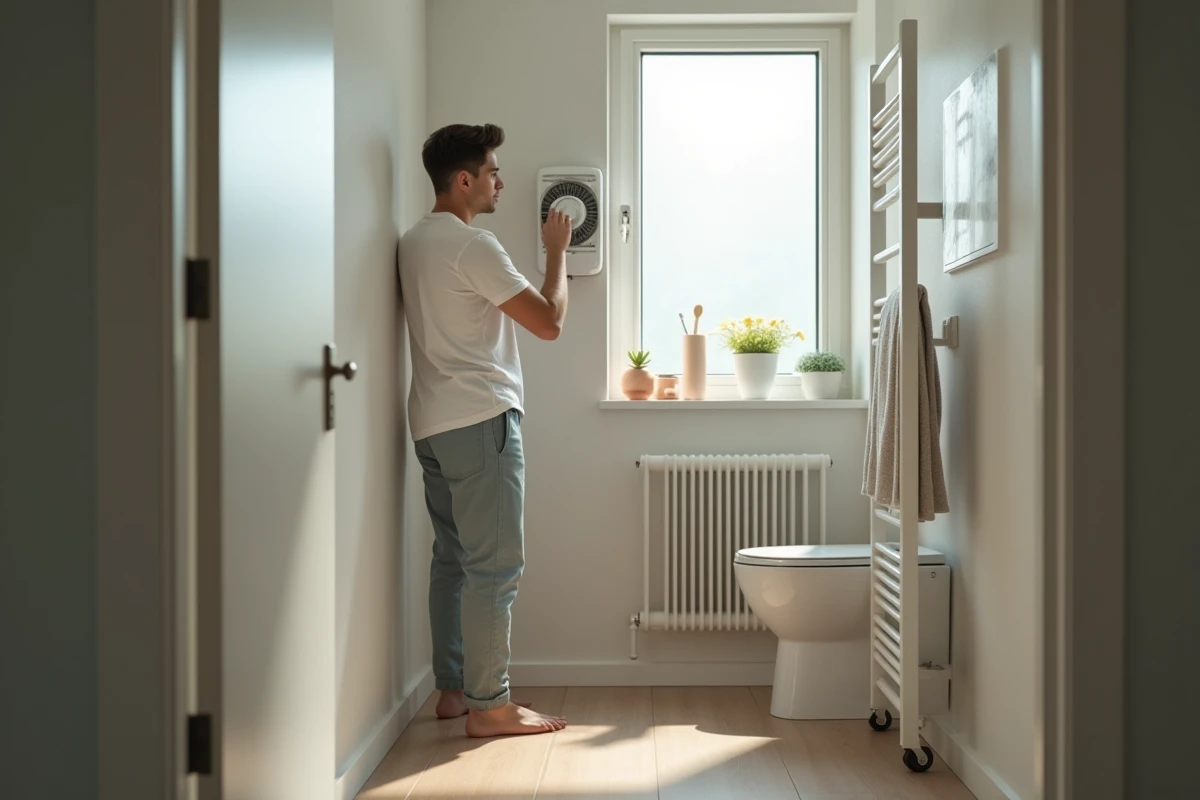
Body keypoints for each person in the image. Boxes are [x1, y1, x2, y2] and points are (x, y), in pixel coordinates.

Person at [397, 123, 572, 738]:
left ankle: (453, 692)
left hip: (431, 423)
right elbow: (548, 322)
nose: (500, 181)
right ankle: (490, 706)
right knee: (496, 567)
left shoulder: (413, 242)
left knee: (452, 561)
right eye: (493, 170)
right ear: (465, 179)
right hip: (482, 420)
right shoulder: (475, 245)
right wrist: (556, 253)